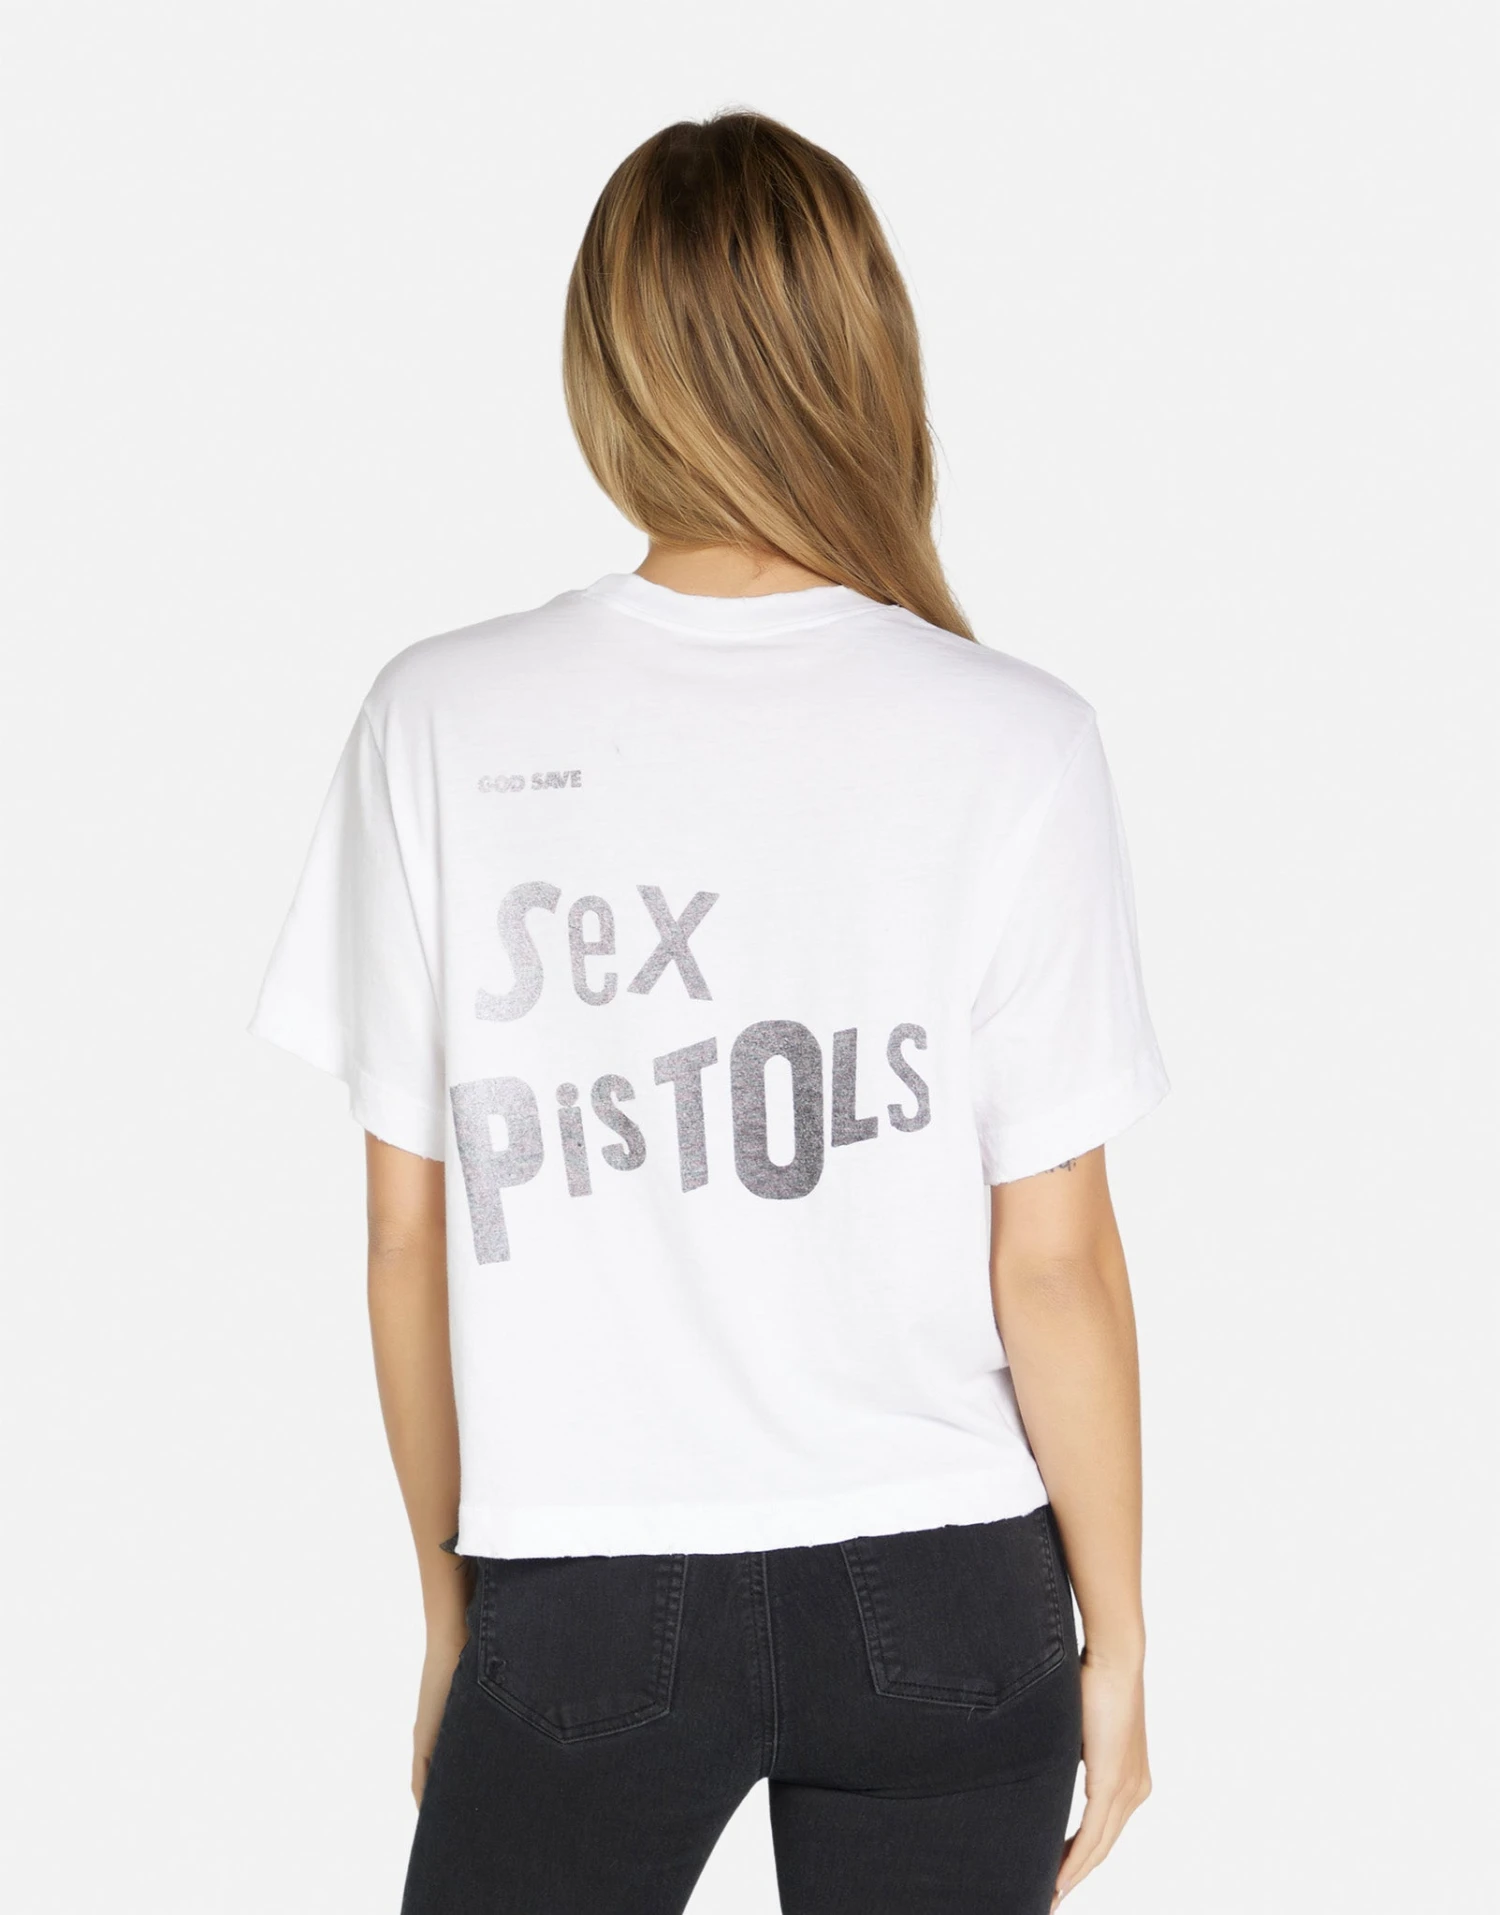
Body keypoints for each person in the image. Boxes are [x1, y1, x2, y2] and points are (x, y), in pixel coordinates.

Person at [250, 110, 1170, 1915]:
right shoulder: (1017, 736)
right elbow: (1055, 1256)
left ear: (608, 363)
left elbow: (405, 1235)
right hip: (948, 1586)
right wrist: (1122, 1633)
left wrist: (450, 1607)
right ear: (866, 351)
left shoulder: (439, 718)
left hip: (584, 1589)